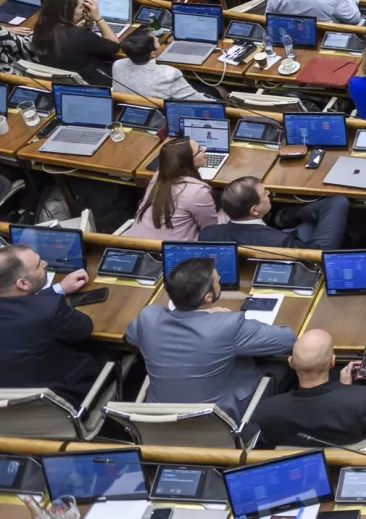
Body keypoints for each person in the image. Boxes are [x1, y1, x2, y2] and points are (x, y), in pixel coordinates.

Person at [126, 257, 296, 418]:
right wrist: (220, 318)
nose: (219, 279)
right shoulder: (226, 325)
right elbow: (287, 339)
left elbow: (131, 337)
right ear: (208, 298)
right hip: (219, 419)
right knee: (279, 367)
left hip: (160, 421)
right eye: (217, 280)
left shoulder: (149, 318)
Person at [0, 246, 107, 405]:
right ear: (23, 283)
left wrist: (57, 289)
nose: (44, 264)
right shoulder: (49, 308)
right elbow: (84, 328)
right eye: (38, 265)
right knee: (109, 352)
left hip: (8, 415)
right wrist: (54, 299)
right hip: (62, 403)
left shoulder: (45, 306)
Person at [200, 177, 350, 249]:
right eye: (265, 194)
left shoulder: (207, 235)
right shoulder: (279, 241)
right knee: (338, 202)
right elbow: (316, 254)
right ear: (254, 210)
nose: (269, 194)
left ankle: (285, 217)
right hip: (309, 258)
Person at [130, 137, 221, 241]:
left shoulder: (158, 175)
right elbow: (210, 227)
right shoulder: (197, 191)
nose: (205, 149)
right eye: (200, 150)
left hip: (137, 242)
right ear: (188, 162)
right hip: (171, 250)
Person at [31, 0, 121, 85]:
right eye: (81, 7)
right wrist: (98, 18)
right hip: (94, 82)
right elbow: (114, 46)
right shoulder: (79, 35)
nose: (85, 9)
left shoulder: (41, 28)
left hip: (63, 81)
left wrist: (86, 24)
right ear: (66, 12)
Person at [112, 29, 212, 101]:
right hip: (160, 118)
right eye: (156, 39)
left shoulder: (117, 65)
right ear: (152, 53)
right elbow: (197, 100)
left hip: (129, 110)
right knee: (218, 89)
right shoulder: (169, 73)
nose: (157, 37)